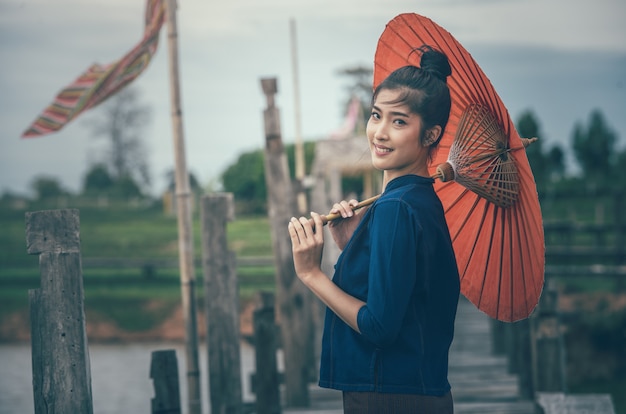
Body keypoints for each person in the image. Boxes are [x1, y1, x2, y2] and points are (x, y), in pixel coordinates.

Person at [288, 45, 460, 414]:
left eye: (399, 121)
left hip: (390, 396)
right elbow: (406, 292)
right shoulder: (418, 200)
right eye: (376, 115)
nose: (380, 133)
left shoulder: (396, 207)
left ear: (430, 135)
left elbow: (380, 326)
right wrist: (355, 246)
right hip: (418, 390)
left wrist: (311, 274)